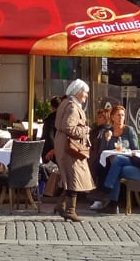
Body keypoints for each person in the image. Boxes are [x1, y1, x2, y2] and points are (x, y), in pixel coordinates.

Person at [54, 79, 95, 222]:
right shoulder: (72, 107)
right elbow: (69, 128)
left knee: (70, 177)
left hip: (64, 145)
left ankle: (62, 205)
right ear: (78, 92)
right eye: (85, 92)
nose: (86, 95)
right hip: (70, 148)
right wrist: (85, 130)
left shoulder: (66, 103)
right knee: (74, 177)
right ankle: (70, 210)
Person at [42, 96, 62, 162]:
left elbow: (48, 136)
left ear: (52, 107)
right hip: (62, 152)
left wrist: (53, 150)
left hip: (51, 154)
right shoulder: (65, 117)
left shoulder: (50, 120)